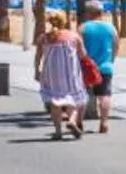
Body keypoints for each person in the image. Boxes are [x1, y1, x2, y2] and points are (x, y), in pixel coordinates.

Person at [36, 11, 90, 140]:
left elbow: (38, 56)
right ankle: (72, 120)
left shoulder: (44, 38)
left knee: (55, 102)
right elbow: (83, 54)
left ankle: (58, 131)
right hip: (69, 72)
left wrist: (36, 71)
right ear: (64, 21)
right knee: (74, 99)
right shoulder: (73, 36)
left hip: (51, 74)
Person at [78, 0, 118, 133]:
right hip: (105, 66)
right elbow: (116, 45)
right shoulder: (110, 28)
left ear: (89, 13)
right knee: (105, 95)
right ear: (101, 12)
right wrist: (111, 60)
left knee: (82, 94)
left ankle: (79, 122)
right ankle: (104, 122)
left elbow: (77, 47)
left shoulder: (83, 28)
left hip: (86, 66)